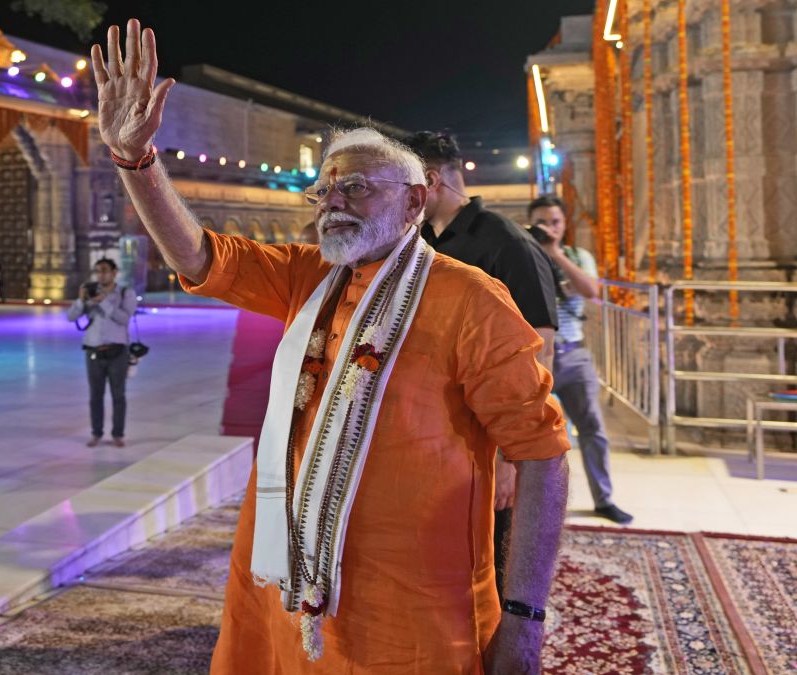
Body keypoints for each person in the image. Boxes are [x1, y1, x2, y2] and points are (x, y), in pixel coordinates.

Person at [91, 20, 571, 672]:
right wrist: (135, 161)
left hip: (417, 614)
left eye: (357, 187)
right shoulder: (307, 276)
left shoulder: (471, 300)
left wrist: (524, 619)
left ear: (413, 202)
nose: (332, 202)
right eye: (325, 189)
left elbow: (542, 454)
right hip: (291, 593)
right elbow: (198, 255)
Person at [405, 129, 561, 597]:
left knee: (489, 567)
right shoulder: (427, 244)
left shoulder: (507, 243)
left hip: (492, 436)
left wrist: (513, 458)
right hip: (442, 431)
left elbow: (540, 348)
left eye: (407, 186)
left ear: (430, 180)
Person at [529, 195, 633, 524]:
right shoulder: (522, 254)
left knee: (593, 429)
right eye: (543, 221)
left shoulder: (576, 256)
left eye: (556, 221)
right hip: (533, 357)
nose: (550, 227)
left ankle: (604, 499)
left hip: (573, 354)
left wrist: (555, 253)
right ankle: (529, 501)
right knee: (529, 431)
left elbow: (591, 290)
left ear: (565, 225)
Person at [66, 257, 138, 447]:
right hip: (93, 351)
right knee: (95, 396)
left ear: (114, 273)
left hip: (117, 352)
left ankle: (118, 434)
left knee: (118, 395)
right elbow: (71, 316)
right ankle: (96, 432)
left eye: (105, 270)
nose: (101, 274)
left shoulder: (125, 293)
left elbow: (124, 318)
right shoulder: (90, 292)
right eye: (98, 271)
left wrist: (104, 302)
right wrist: (82, 300)